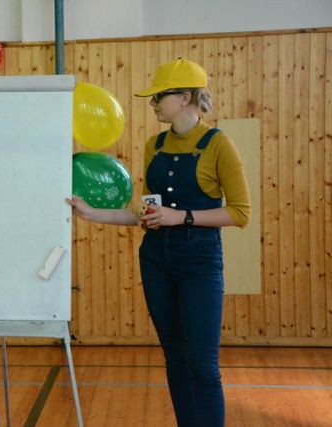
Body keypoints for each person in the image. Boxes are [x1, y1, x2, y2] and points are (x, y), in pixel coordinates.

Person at [68, 58, 250, 427]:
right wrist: (92, 213)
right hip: (155, 260)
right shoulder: (155, 145)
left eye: (158, 97)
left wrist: (181, 217)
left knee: (202, 365)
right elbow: (148, 214)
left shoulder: (218, 144)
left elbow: (239, 213)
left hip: (199, 262)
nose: (152, 104)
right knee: (176, 358)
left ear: (185, 98)